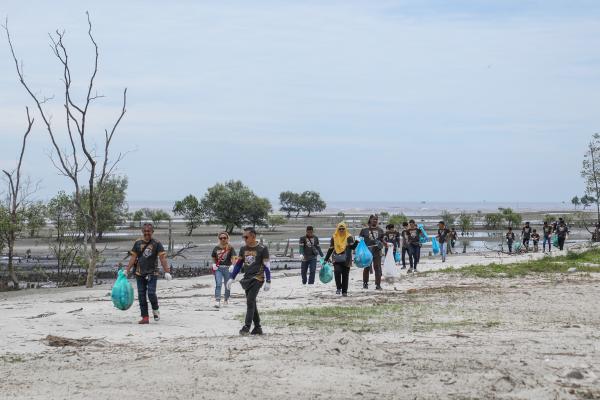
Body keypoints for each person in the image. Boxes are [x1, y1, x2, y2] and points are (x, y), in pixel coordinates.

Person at [226, 227, 271, 335]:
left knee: (250, 301)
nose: (244, 239)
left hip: (258, 278)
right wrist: (232, 278)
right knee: (252, 302)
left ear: (253, 236)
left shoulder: (262, 248)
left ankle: (246, 327)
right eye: (243, 237)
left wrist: (268, 280)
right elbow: (238, 265)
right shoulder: (243, 249)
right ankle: (258, 327)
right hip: (247, 279)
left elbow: (267, 265)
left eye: (246, 237)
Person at [125, 223, 172, 324]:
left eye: (149, 231)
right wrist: (127, 270)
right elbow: (133, 257)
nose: (147, 233)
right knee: (141, 296)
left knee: (151, 293)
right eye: (145, 231)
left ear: (152, 232)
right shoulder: (137, 243)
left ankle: (155, 309)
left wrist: (167, 272)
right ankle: (145, 317)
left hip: (152, 273)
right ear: (142, 231)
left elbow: (162, 258)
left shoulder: (157, 243)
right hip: (139, 273)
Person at [324, 222, 358, 296]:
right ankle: (338, 288)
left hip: (347, 259)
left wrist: (356, 242)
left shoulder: (349, 237)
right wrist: (326, 259)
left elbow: (352, 247)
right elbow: (331, 249)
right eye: (340, 229)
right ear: (337, 229)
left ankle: (344, 292)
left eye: (343, 228)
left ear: (345, 229)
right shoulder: (334, 237)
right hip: (336, 258)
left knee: (345, 275)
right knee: (337, 272)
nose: (341, 230)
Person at [211, 232, 236, 308]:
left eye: (224, 238)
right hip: (218, 268)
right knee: (218, 284)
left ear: (227, 238)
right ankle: (217, 300)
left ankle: (226, 299)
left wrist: (233, 265)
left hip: (227, 268)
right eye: (221, 238)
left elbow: (234, 257)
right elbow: (213, 257)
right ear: (219, 239)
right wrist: (214, 264)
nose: (223, 239)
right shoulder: (216, 248)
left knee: (227, 285)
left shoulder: (230, 247)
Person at [359, 215, 385, 290]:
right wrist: (356, 248)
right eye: (374, 219)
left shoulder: (380, 230)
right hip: (367, 251)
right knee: (366, 267)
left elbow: (382, 240)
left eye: (376, 219)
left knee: (377, 268)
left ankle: (378, 285)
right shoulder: (364, 230)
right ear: (370, 220)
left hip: (377, 251)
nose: (375, 221)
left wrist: (386, 244)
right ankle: (365, 283)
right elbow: (359, 240)